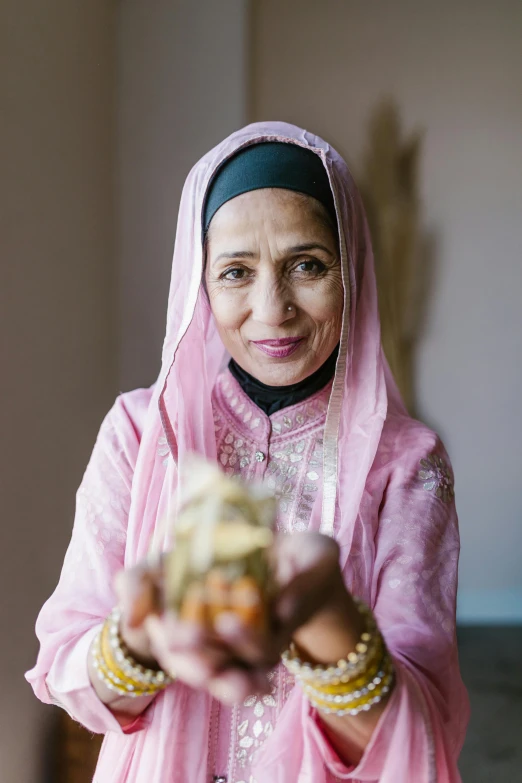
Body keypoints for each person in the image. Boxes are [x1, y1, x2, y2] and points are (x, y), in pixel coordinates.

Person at [26, 122, 469, 783]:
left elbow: (417, 738)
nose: (272, 308)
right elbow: (66, 669)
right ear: (199, 282)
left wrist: (325, 618)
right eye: (236, 271)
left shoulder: (404, 461)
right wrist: (144, 636)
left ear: (354, 271)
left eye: (308, 265)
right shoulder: (141, 434)